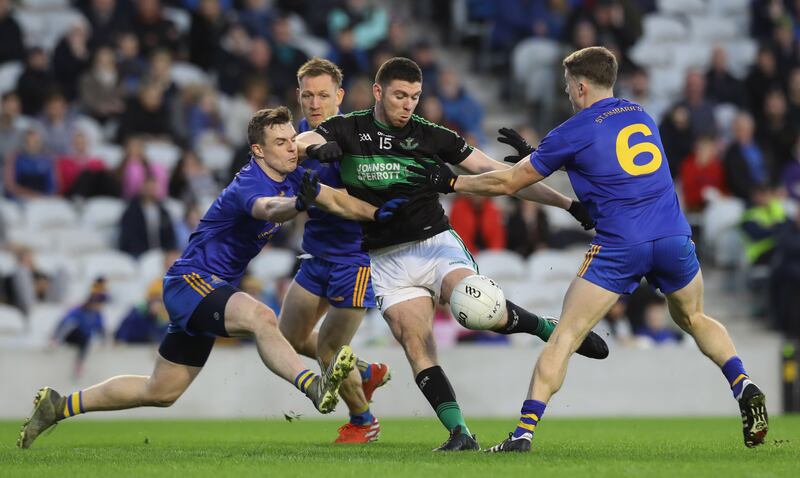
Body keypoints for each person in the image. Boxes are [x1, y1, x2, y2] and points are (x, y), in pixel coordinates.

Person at [409, 46, 769, 451]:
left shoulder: (573, 129)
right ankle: (743, 383)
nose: (567, 94)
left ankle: (523, 433)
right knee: (695, 317)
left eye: (567, 87)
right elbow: (612, 164)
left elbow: (509, 184)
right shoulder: (639, 113)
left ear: (580, 86)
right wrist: (537, 156)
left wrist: (451, 182)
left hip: (621, 244)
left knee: (565, 334)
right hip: (672, 235)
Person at [18, 106, 407, 449]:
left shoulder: (291, 170)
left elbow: (312, 164)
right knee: (262, 318)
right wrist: (298, 203)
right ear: (258, 150)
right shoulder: (250, 184)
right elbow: (268, 208)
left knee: (162, 391)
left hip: (206, 291)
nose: (292, 147)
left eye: (292, 139)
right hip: (190, 282)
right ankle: (314, 385)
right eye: (281, 142)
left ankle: (59, 405)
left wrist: (328, 161)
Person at [296, 57, 608, 451]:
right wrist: (316, 149)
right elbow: (303, 140)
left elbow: (502, 176)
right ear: (378, 92)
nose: (408, 104)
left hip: (435, 245)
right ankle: (460, 433)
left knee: (477, 310)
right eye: (399, 96)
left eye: (414, 96)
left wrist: (566, 204)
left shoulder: (431, 136)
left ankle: (546, 328)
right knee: (416, 344)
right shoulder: (348, 129)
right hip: (386, 259)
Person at [278, 58, 389, 444]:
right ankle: (364, 370)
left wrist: (320, 195)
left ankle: (363, 421)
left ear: (339, 96)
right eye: (307, 94)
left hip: (354, 257)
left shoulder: (357, 136)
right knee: (288, 336)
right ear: (298, 96)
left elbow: (360, 201)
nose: (314, 102)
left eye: (323, 94)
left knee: (328, 349)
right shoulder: (295, 142)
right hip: (316, 255)